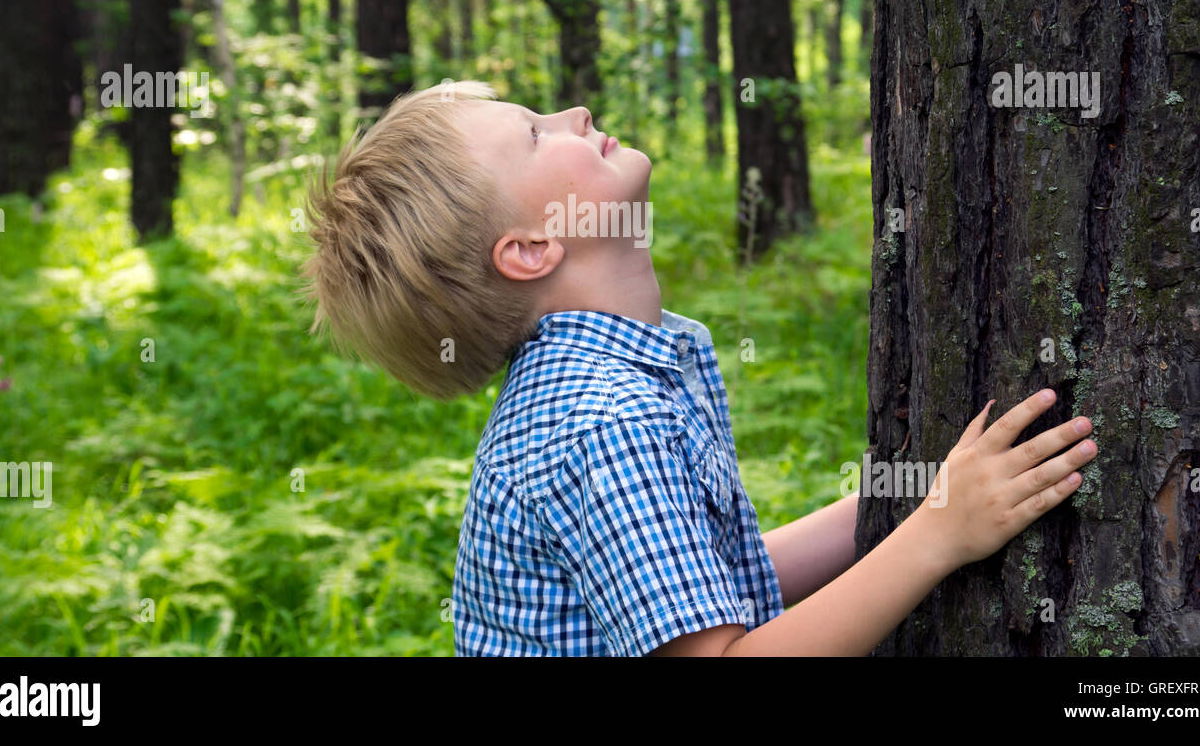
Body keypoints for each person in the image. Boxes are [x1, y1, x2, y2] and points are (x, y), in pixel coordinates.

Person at [299, 80, 1099, 655]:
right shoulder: (604, 424)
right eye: (537, 134)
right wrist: (937, 536)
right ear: (531, 249)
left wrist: (896, 508)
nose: (574, 111)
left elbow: (711, 589)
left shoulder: (611, 385)